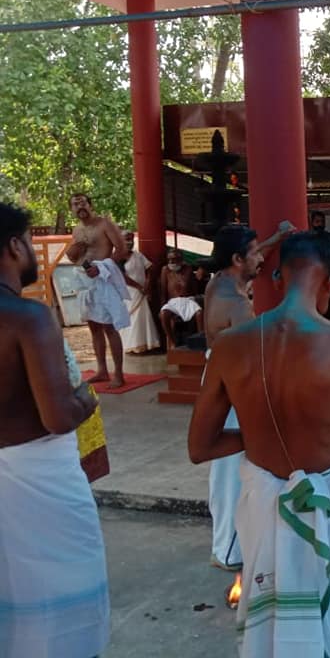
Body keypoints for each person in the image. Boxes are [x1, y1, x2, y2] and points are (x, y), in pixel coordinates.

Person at [189, 231, 330, 658]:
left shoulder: (230, 346)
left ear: (278, 278)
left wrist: (261, 428)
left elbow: (200, 446)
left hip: (262, 497)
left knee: (272, 610)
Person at [0, 202, 109, 658]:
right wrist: (86, 397)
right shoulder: (28, 317)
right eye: (28, 242)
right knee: (67, 592)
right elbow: (59, 416)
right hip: (39, 471)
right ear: (13, 246)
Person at [201, 221, 294, 571]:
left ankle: (226, 543)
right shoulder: (236, 305)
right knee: (233, 468)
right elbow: (248, 362)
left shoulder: (219, 283)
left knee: (224, 470)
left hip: (219, 378)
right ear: (238, 258)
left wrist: (278, 237)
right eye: (254, 252)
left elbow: (254, 254)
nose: (261, 258)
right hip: (231, 387)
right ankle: (229, 551)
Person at [66, 192, 130, 387]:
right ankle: (102, 370)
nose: (80, 207)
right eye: (76, 205)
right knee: (93, 327)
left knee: (109, 326)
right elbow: (73, 256)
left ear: (90, 204)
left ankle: (118, 373)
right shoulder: (77, 230)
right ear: (72, 209)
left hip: (102, 278)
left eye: (83, 203)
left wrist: (102, 267)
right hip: (84, 281)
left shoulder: (104, 224)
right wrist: (76, 250)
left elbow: (121, 250)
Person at [119, 230, 162, 354]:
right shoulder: (118, 257)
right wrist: (139, 287)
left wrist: (147, 284)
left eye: (131, 239)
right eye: (126, 239)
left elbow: (150, 268)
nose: (129, 242)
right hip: (129, 293)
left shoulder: (138, 255)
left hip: (142, 292)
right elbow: (122, 276)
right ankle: (132, 346)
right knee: (132, 319)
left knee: (143, 317)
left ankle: (146, 344)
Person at [159, 248, 203, 350]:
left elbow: (194, 287)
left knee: (199, 313)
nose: (171, 262)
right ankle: (172, 341)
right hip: (173, 302)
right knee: (163, 314)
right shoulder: (165, 270)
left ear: (181, 259)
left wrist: (195, 299)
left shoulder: (188, 268)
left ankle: (201, 340)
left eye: (174, 259)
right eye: (169, 259)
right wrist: (162, 305)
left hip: (188, 299)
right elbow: (163, 290)